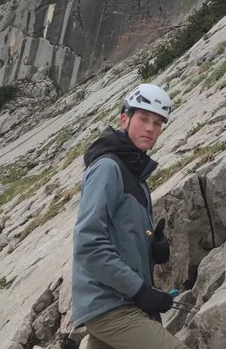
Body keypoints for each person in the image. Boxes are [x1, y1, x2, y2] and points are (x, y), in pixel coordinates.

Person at [72, 83, 184, 349]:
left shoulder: (134, 174)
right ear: (124, 119)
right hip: (111, 304)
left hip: (117, 301)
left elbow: (118, 237)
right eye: (143, 119)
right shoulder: (108, 168)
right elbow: (88, 243)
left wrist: (153, 249)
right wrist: (140, 290)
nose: (150, 128)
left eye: (157, 123)